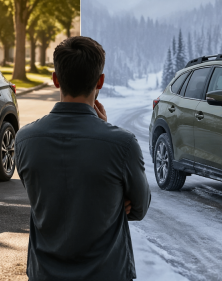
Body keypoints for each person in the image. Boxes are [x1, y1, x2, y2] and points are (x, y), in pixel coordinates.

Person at [15, 36, 151, 281]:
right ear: (100, 81)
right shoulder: (123, 145)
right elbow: (139, 208)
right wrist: (115, 200)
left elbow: (47, 197)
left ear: (56, 80)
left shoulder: (24, 140)